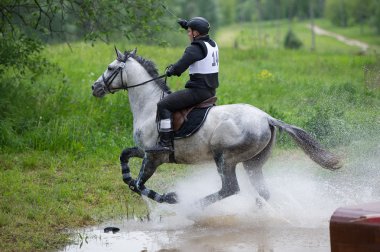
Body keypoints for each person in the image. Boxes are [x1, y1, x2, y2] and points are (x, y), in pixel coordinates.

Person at [146, 17, 219, 153]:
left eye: (189, 31)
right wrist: (187, 25)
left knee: (164, 105)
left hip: (198, 92)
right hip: (210, 90)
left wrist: (171, 70)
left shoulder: (195, 48)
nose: (188, 34)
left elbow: (180, 66)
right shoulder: (211, 43)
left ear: (196, 33)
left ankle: (165, 143)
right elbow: (198, 33)